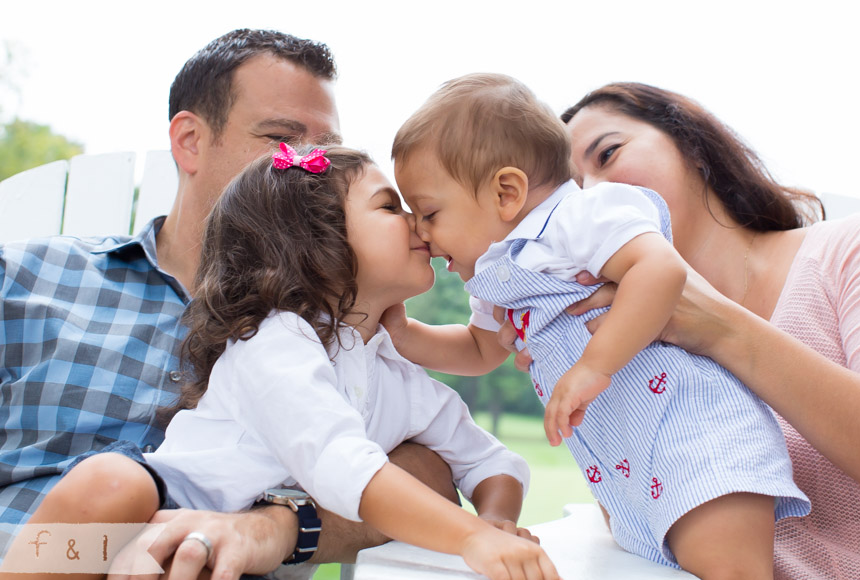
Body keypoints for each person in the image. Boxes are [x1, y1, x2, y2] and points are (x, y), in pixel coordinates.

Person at [0, 29, 455, 578]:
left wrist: (275, 525)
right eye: (282, 141)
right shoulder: (26, 281)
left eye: (325, 154)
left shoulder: (349, 336)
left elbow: (434, 469)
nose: (310, 171)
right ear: (191, 140)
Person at [15, 145, 560, 580]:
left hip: (253, 552)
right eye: (389, 206)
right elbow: (340, 462)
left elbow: (491, 462)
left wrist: (495, 518)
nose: (419, 222)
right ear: (316, 240)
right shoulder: (278, 340)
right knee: (111, 484)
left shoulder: (397, 373)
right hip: (156, 510)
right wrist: (469, 537)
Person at [387, 72, 810, 578]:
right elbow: (480, 350)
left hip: (698, 439)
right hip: (631, 472)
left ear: (506, 193)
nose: (421, 231)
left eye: (429, 212)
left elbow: (660, 269)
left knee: (729, 571)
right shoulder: (498, 274)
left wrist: (593, 365)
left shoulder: (580, 215)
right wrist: (407, 336)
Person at [549, 82, 860, 580]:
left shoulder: (850, 250)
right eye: (570, 190)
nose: (591, 194)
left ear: (691, 144)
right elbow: (644, 530)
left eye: (608, 154)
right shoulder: (621, 348)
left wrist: (717, 327)